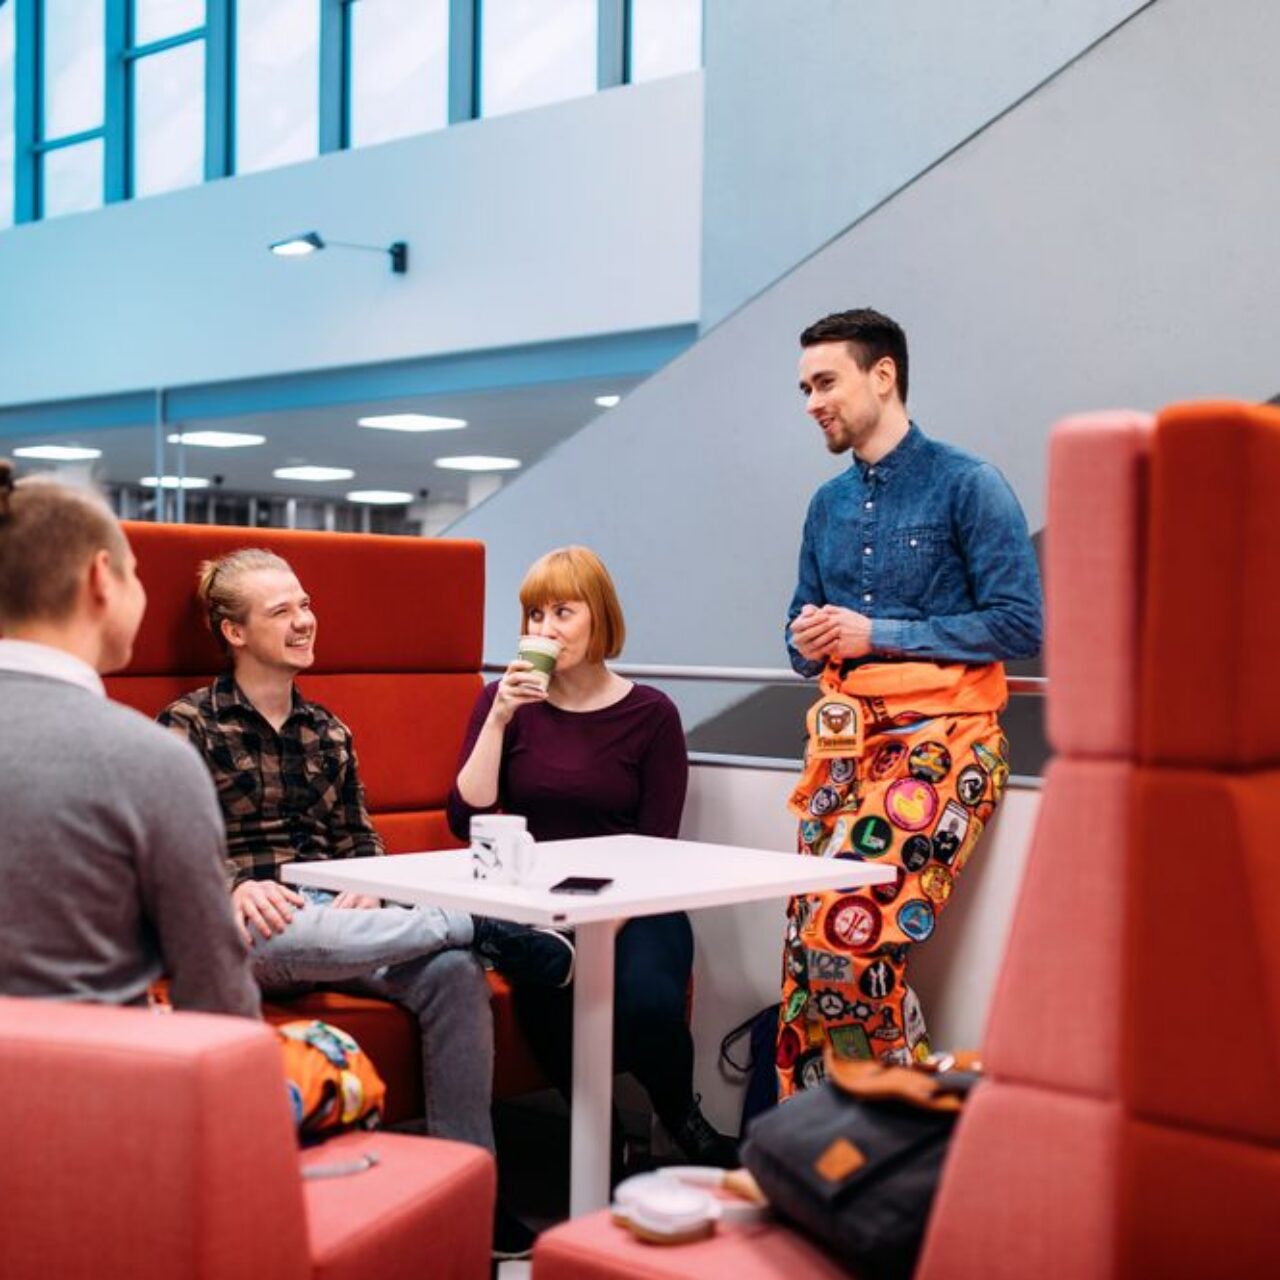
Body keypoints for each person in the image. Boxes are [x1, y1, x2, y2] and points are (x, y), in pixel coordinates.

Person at [157, 547, 570, 1258]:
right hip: (248, 926)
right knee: (406, 936)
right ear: (234, 632)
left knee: (455, 973)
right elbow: (171, 847)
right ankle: (471, 921)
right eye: (281, 611)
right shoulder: (188, 725)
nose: (304, 620)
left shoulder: (329, 730)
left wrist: (369, 880)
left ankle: (474, 1195)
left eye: (306, 604)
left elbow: (361, 840)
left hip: (345, 919)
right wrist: (233, 886)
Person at [780, 309, 1042, 1096]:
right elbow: (796, 644)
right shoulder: (825, 505)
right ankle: (828, 1136)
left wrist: (877, 634)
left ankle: (903, 1127)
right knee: (807, 956)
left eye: (825, 382)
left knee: (848, 938)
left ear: (883, 375)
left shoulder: (969, 483)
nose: (811, 403)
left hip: (945, 741)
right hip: (842, 746)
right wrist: (811, 638)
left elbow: (1021, 623)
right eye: (804, 388)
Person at [448, 545, 738, 1168]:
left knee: (648, 1003)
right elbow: (465, 820)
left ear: (598, 617)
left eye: (562, 612)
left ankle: (680, 1115)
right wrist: (498, 719)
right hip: (536, 911)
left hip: (636, 900)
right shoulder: (505, 702)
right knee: (549, 996)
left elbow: (656, 843)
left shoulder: (651, 713)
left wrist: (601, 922)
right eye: (534, 615)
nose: (545, 629)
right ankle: (599, 1138)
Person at [0, 461, 257, 1018]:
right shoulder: (149, 760)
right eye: (134, 573)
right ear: (100, 579)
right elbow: (218, 998)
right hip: (90, 1067)